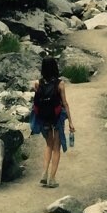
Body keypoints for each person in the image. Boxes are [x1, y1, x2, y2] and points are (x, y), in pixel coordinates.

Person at [30, 56, 75, 188]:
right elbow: (65, 103)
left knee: (48, 145)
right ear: (55, 67)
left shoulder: (37, 83)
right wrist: (71, 122)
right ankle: (52, 179)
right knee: (56, 147)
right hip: (57, 118)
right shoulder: (60, 84)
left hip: (44, 118)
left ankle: (44, 174)